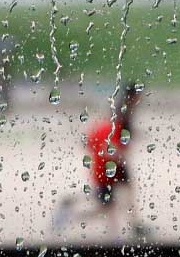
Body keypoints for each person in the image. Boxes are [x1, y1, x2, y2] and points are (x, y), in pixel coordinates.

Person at [54, 82, 144, 237]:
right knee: (106, 204)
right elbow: (106, 140)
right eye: (138, 95)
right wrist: (115, 150)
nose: (139, 99)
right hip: (108, 165)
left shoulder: (125, 111)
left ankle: (131, 228)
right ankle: (71, 212)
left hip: (116, 163)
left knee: (124, 194)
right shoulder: (121, 113)